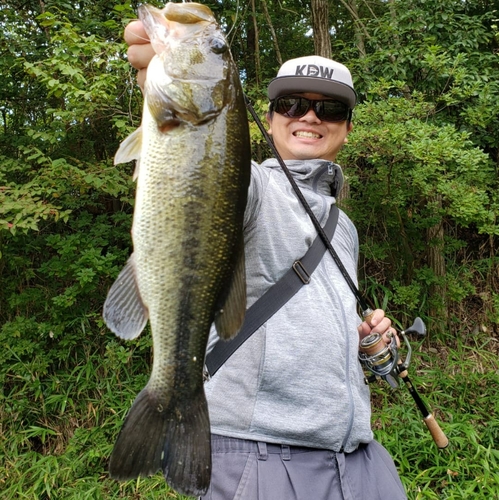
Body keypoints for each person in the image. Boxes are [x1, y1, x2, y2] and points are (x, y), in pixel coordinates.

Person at [124, 20, 407, 500]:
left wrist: (369, 344)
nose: (310, 117)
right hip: (261, 461)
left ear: (347, 126)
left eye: (329, 108)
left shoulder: (344, 228)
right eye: (292, 103)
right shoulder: (248, 184)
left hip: (359, 460)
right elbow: (199, 162)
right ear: (270, 116)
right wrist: (170, 73)